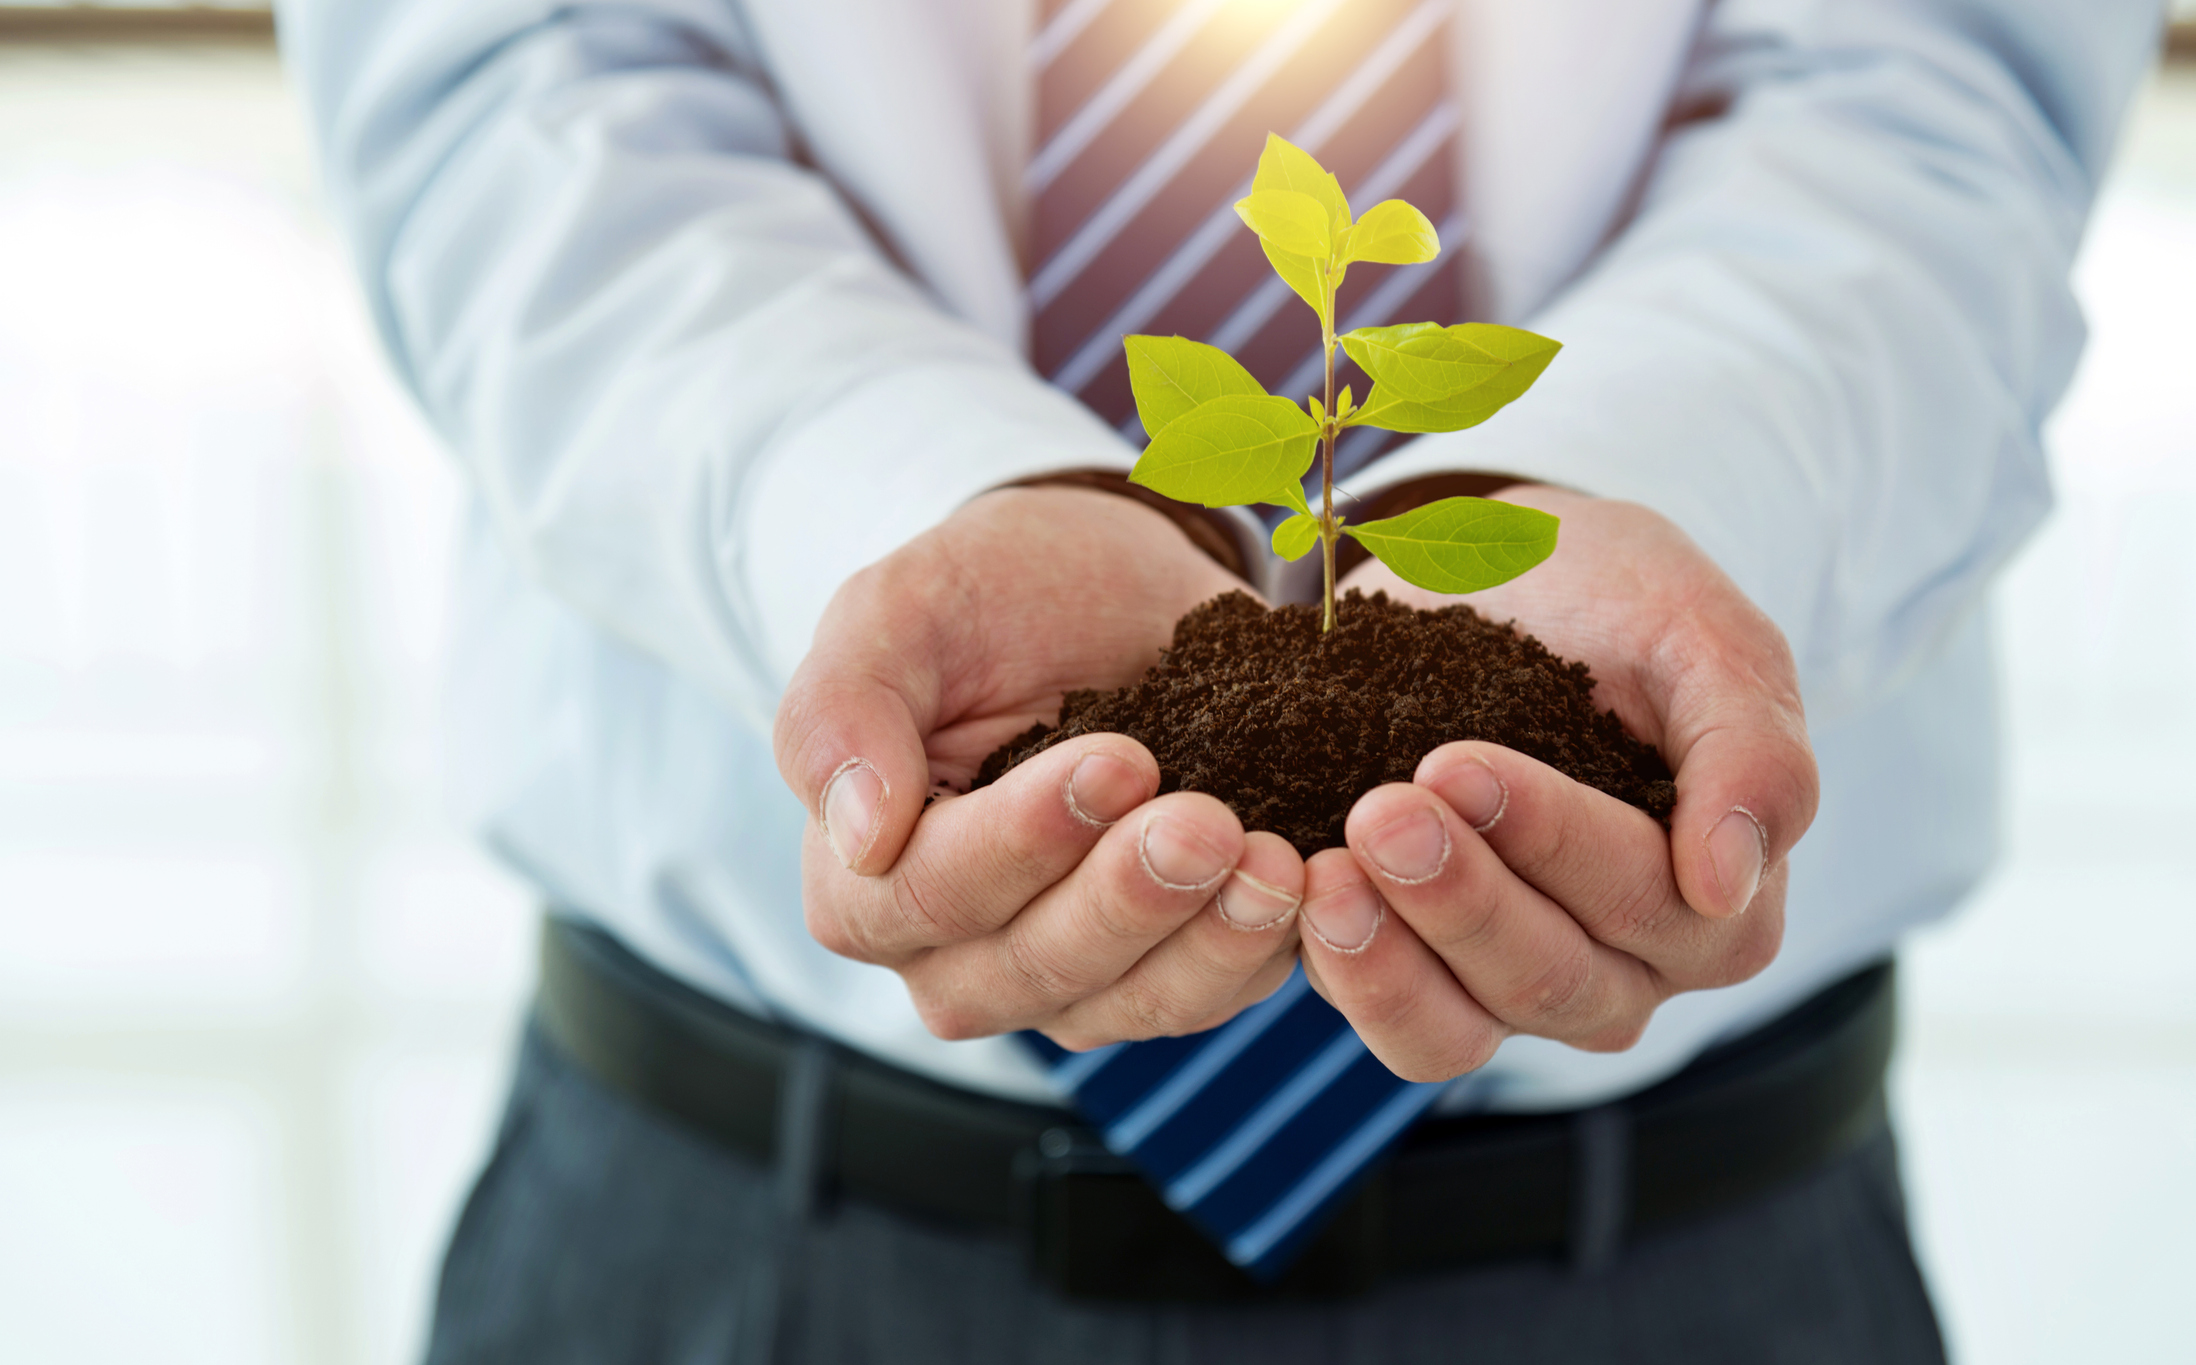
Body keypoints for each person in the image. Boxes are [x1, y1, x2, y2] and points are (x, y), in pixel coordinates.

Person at [281, 0, 2160, 1360]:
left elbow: (1934, 79)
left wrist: (1583, 489)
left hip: (1694, 1246)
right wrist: (896, 490)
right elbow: (510, 84)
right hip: (734, 1229)